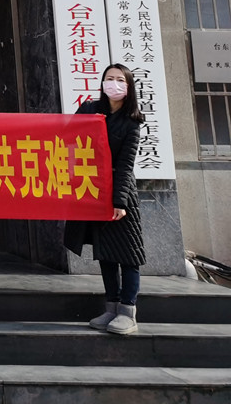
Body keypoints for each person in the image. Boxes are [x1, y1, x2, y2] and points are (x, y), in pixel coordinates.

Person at [64, 63, 146, 335]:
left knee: (128, 254)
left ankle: (128, 311)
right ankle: (111, 307)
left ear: (129, 86)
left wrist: (119, 202)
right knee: (106, 254)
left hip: (120, 194)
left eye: (120, 79)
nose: (114, 84)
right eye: (109, 78)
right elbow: (69, 136)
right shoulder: (90, 109)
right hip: (95, 189)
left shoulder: (131, 121)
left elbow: (125, 166)